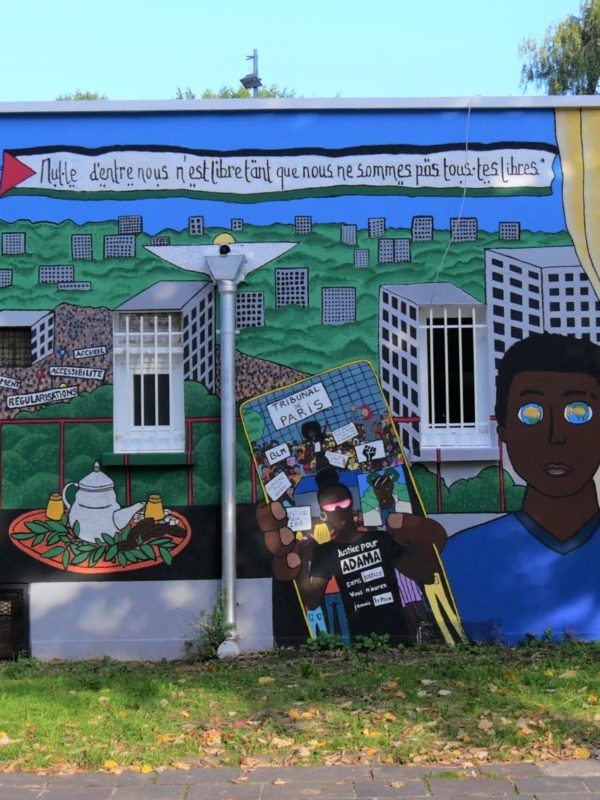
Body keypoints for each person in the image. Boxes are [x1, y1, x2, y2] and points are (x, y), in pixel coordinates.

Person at [443, 333, 600, 643]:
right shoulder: (460, 558)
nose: (556, 436)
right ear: (503, 432)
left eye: (579, 412)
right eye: (531, 414)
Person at [258, 467, 446, 644]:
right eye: (330, 507)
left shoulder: (381, 539)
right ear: (323, 512)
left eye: (343, 503)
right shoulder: (326, 551)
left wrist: (410, 538)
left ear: (351, 504)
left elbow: (425, 576)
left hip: (397, 635)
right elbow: (312, 601)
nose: (338, 510)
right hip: (361, 641)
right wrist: (305, 556)